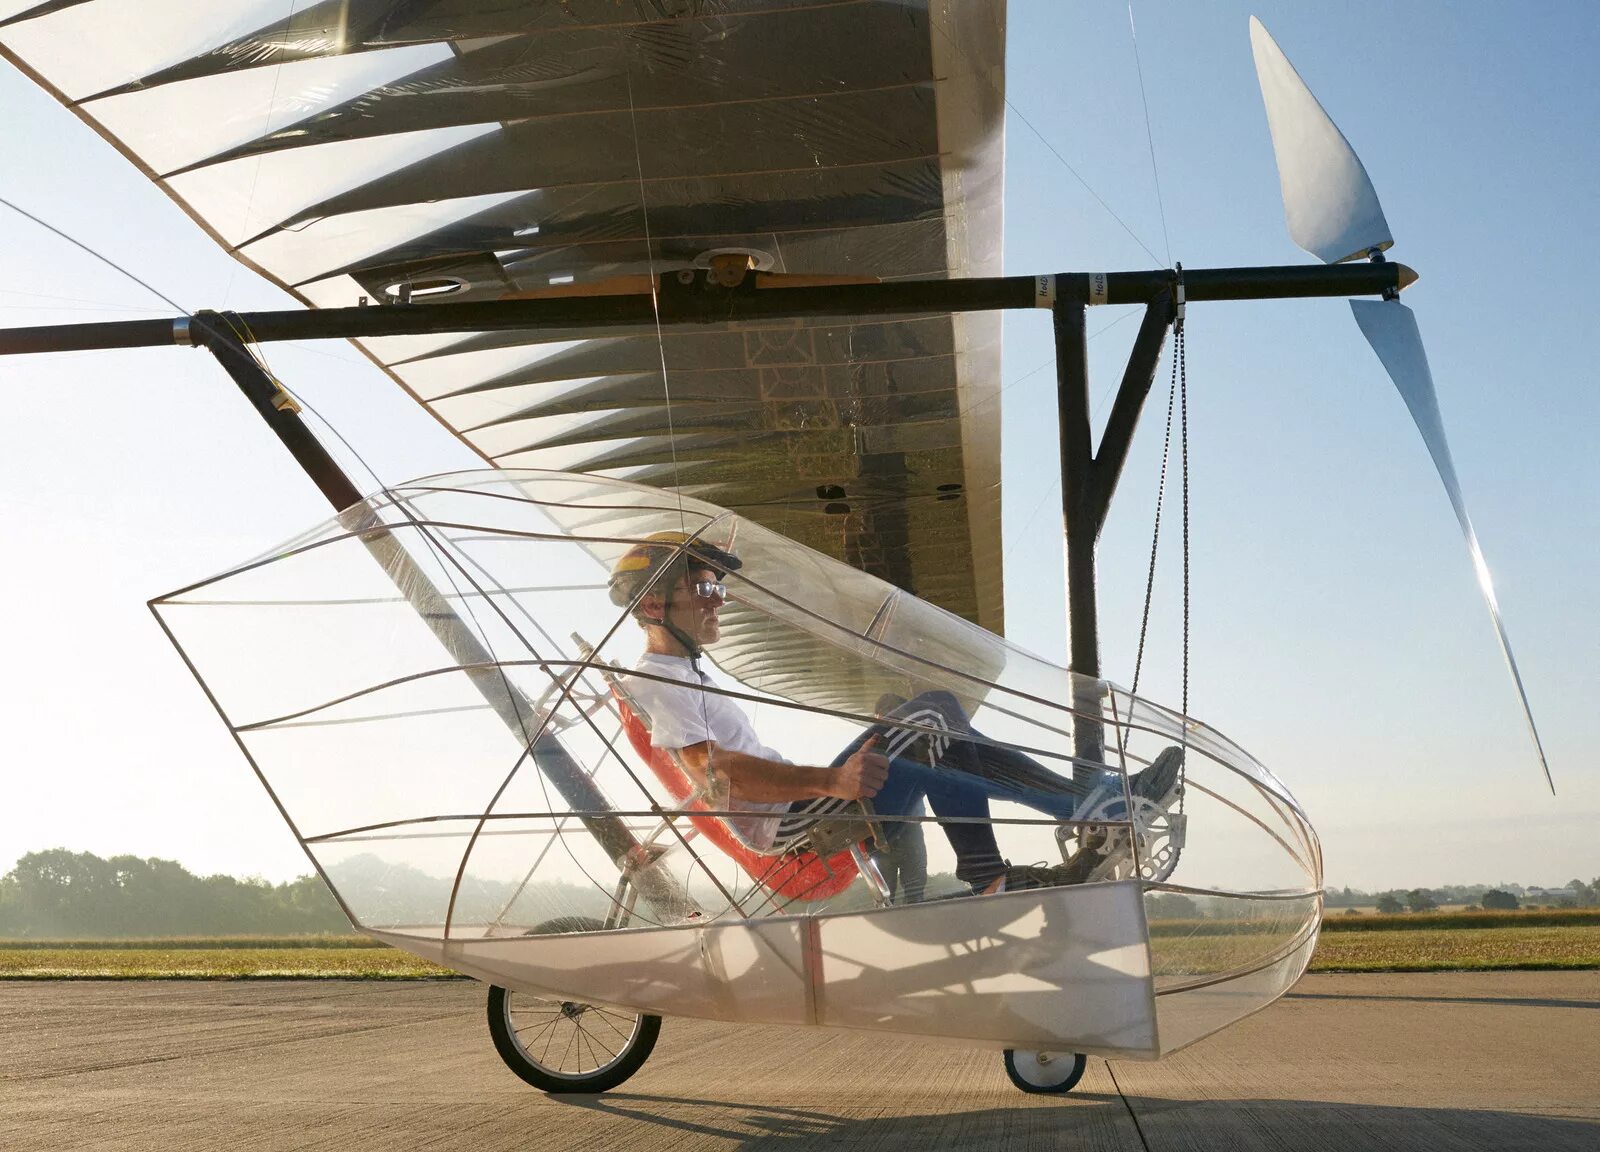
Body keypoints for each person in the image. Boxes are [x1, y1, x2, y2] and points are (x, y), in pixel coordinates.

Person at [609, 532, 1181, 894]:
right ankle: (1094, 806)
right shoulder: (654, 679)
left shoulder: (688, 673)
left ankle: (995, 870)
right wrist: (833, 779)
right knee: (930, 717)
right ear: (656, 602)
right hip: (787, 822)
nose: (719, 605)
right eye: (707, 590)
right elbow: (717, 778)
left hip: (799, 802)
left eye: (720, 593)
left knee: (937, 723)